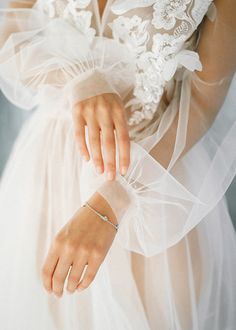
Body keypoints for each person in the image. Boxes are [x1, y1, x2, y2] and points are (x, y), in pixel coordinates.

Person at [0, 0, 235, 329]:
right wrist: (77, 77)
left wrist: (114, 199)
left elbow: (200, 103)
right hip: (48, 172)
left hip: (150, 186)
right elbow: (8, 26)